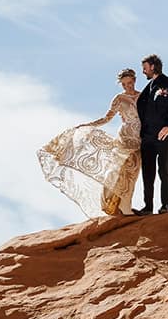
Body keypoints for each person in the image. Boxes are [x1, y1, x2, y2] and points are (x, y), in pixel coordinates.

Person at [36, 70, 143, 219]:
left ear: (135, 80)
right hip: (125, 138)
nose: (127, 87)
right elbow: (107, 118)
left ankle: (125, 206)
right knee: (117, 171)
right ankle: (114, 205)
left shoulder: (144, 96)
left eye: (130, 83)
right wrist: (88, 125)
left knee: (132, 173)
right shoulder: (119, 99)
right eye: (124, 84)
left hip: (140, 139)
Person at [133, 54, 168, 214]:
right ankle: (148, 207)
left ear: (153, 67)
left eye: (145, 68)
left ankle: (165, 205)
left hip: (163, 135)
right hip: (147, 136)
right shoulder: (147, 89)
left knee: (164, 170)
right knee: (147, 172)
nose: (143, 72)